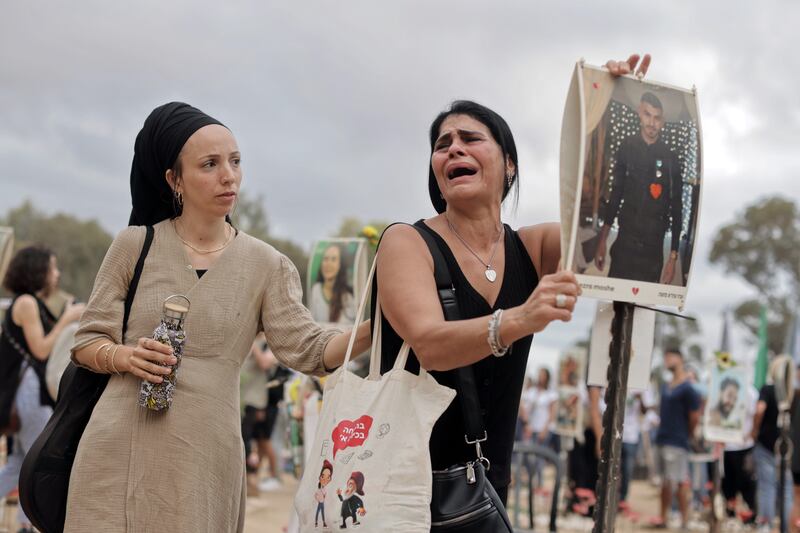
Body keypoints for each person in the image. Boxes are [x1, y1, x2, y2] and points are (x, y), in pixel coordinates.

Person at [64, 102, 371, 532]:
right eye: (210, 164)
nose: (229, 175)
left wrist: (378, 326)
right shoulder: (135, 245)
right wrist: (125, 358)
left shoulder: (266, 264)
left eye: (235, 161)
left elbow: (310, 349)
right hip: (118, 451)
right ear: (174, 180)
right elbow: (86, 341)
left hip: (204, 463)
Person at [372, 55, 649, 508]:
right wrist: (519, 319)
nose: (453, 148)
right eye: (442, 144)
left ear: (510, 165)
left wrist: (621, 113)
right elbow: (430, 343)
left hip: (487, 489)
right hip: (400, 492)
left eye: (470, 138)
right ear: (437, 175)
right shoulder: (407, 242)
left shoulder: (535, 247)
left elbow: (627, 244)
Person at [0, 246, 85, 532]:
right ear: (38, 271)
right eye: (52, 268)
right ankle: (31, 524)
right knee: (34, 462)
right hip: (29, 392)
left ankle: (26, 525)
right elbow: (41, 349)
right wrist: (68, 319)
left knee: (19, 463)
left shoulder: (30, 303)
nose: (56, 274)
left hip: (25, 391)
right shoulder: (26, 303)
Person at [593, 92, 683, 285]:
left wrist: (672, 259)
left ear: (663, 121)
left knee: (642, 309)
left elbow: (677, 209)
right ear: (639, 114)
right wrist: (602, 240)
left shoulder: (670, 159)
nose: (652, 122)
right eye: (647, 115)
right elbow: (615, 195)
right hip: (624, 244)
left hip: (653, 251)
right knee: (614, 305)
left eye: (657, 117)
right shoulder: (627, 147)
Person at [653, 348, 701, 529]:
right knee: (665, 482)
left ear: (680, 359)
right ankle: (663, 517)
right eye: (665, 356)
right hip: (662, 437)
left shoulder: (688, 388)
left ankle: (684, 520)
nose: (666, 360)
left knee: (680, 481)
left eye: (670, 356)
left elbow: (694, 415)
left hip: (678, 440)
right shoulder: (666, 385)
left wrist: (688, 433)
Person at [752, 357, 794, 530]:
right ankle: (784, 526)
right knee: (785, 490)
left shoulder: (768, 389)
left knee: (767, 487)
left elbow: (759, 410)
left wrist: (754, 430)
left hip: (767, 444)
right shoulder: (793, 394)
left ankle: (766, 524)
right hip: (786, 447)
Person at [722, 383, 758, 524]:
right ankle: (730, 513)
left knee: (746, 482)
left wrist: (752, 434)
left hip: (744, 446)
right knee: (728, 484)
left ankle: (749, 515)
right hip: (726, 446)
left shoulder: (750, 392)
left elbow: (757, 414)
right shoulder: (722, 388)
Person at [309, 243, 356, 324]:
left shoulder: (348, 297)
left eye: (333, 259)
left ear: (340, 265)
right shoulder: (316, 289)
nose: (328, 264)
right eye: (326, 259)